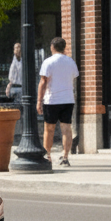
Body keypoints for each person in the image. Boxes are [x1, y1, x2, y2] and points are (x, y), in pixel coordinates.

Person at [37, 37, 79, 167]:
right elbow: (74, 77)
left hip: (52, 100)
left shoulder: (48, 62)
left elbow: (43, 82)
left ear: (52, 47)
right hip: (67, 99)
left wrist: (39, 100)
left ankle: (48, 156)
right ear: (64, 47)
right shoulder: (70, 62)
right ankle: (65, 157)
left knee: (49, 129)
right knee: (66, 128)